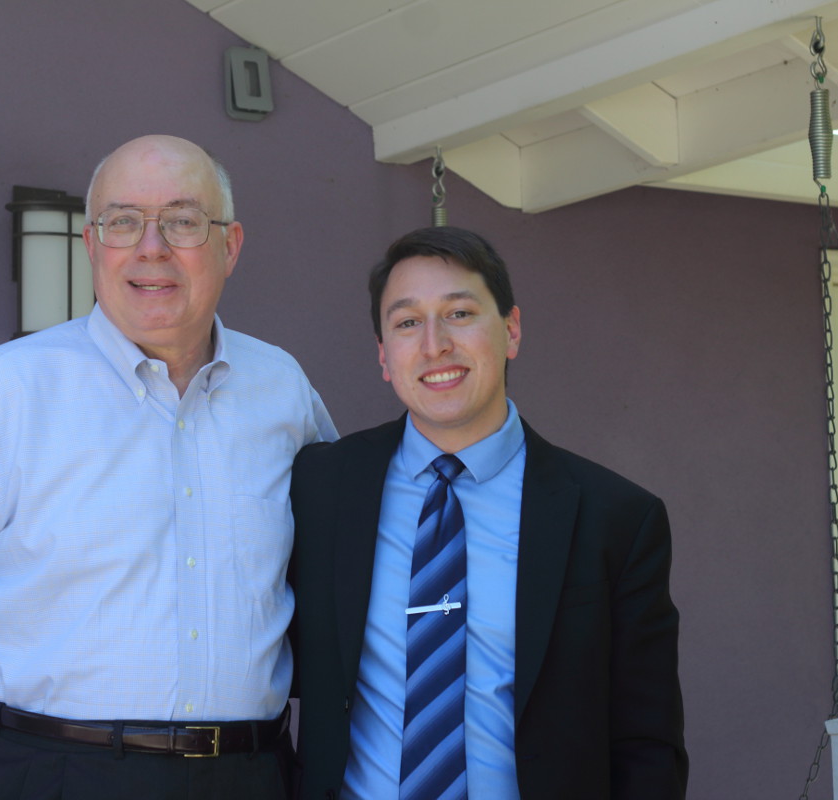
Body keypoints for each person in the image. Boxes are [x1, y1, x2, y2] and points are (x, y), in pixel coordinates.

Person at [0, 135, 337, 800]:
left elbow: (332, 580)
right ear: (90, 246)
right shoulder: (4, 392)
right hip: (43, 774)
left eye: (183, 221)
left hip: (247, 776)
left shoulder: (282, 391)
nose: (151, 247)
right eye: (123, 222)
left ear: (231, 245)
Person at [289, 226, 686, 799]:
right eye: (406, 323)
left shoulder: (616, 518)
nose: (434, 345)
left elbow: (648, 745)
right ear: (383, 355)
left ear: (512, 331)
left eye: (459, 314)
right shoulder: (320, 488)